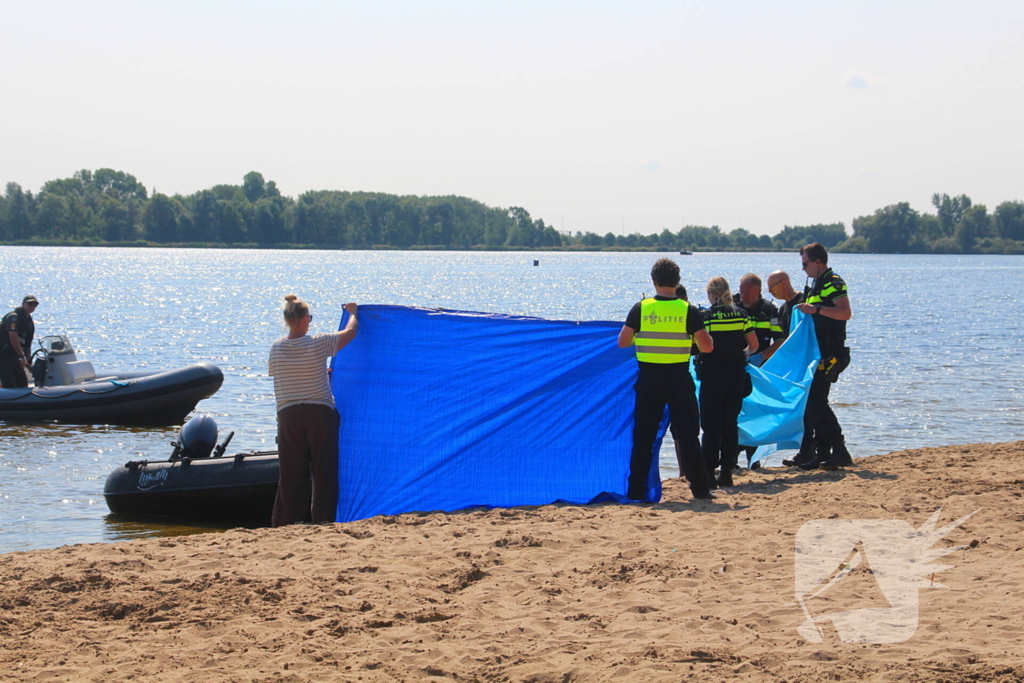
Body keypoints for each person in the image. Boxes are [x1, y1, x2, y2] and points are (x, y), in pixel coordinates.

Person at [618, 259, 714, 502]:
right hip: (679, 378)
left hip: (649, 379)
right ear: (678, 281)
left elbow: (623, 342)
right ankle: (700, 488)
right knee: (687, 435)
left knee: (644, 437)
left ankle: (636, 490)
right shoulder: (688, 310)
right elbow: (707, 347)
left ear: (653, 281)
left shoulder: (641, 308)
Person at [269, 294, 359, 527]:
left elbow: (288, 375)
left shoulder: (276, 348)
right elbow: (350, 333)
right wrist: (353, 313)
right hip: (319, 413)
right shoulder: (318, 343)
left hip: (288, 416)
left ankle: (287, 522)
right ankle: (323, 520)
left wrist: (319, 372)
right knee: (323, 469)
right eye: (309, 317)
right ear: (303, 320)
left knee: (291, 473)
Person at [795, 243, 853, 470]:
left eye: (805, 263)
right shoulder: (816, 283)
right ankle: (823, 452)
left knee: (817, 403)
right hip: (816, 353)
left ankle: (840, 450)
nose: (803, 269)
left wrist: (817, 309)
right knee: (811, 404)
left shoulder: (833, 282)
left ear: (818, 262)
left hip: (830, 354)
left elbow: (845, 312)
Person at [698, 277, 758, 487]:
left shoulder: (706, 316)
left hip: (712, 376)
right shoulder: (741, 314)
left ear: (711, 295)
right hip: (735, 376)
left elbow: (700, 345)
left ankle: (708, 472)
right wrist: (742, 355)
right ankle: (727, 471)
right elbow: (754, 345)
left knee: (710, 426)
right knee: (730, 424)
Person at [765, 271, 818, 468]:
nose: (769, 291)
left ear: (784, 283)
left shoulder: (803, 303)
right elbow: (782, 340)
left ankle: (818, 450)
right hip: (794, 368)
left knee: (813, 408)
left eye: (772, 286)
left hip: (809, 365)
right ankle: (806, 451)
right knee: (801, 411)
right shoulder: (782, 310)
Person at [734, 273, 783, 367]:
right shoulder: (733, 308)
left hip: (760, 365)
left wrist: (761, 356)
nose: (744, 297)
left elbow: (780, 341)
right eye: (742, 293)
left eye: (748, 294)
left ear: (759, 291)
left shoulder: (770, 311)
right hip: (736, 364)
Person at [1, 295, 39, 389]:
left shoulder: (29, 322)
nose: (32, 306)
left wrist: (28, 362)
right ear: (23, 304)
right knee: (9, 381)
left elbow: (27, 344)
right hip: (4, 353)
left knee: (22, 382)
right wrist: (22, 356)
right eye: (29, 304)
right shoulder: (13, 317)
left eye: (34, 305)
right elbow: (13, 337)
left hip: (15, 354)